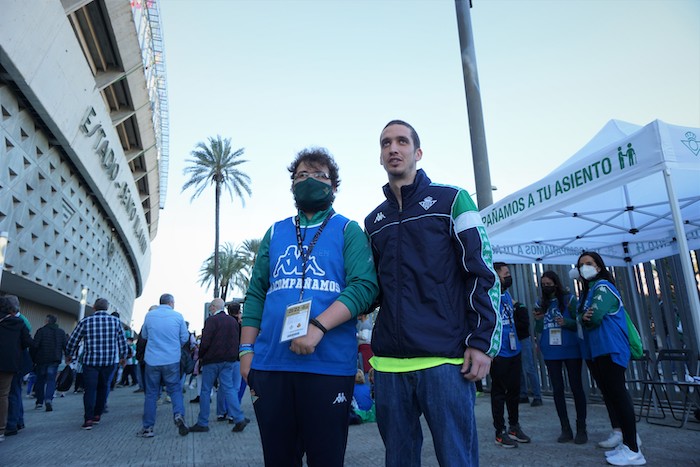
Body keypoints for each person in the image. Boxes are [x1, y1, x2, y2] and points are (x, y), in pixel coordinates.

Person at [364, 120, 501, 466]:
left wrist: (481, 341)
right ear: (380, 156)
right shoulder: (373, 221)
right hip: (389, 366)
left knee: (457, 459)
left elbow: (481, 273)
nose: (393, 148)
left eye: (401, 142)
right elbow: (373, 289)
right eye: (385, 144)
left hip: (445, 361)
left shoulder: (452, 200)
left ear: (418, 152)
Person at [241, 147, 378, 467]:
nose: (309, 181)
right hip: (271, 367)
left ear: (334, 185)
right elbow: (256, 292)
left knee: (326, 460)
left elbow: (365, 287)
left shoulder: (348, 230)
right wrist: (246, 351)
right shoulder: (275, 231)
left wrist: (318, 327)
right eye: (302, 175)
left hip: (328, 368)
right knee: (278, 460)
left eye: (319, 175)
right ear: (291, 185)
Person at [576, 252, 646, 466]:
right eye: (581, 265)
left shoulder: (603, 287)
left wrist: (586, 318)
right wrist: (583, 317)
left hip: (611, 348)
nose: (584, 268)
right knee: (613, 396)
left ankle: (634, 450)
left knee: (618, 395)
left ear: (599, 266)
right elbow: (583, 316)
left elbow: (594, 317)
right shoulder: (589, 291)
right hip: (598, 350)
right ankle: (628, 441)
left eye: (589, 263)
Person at [533, 270, 587, 443]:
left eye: (549, 284)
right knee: (557, 389)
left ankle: (581, 427)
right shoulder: (540, 303)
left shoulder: (569, 299)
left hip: (571, 348)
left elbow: (580, 321)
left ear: (556, 283)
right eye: (543, 285)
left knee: (576, 387)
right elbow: (540, 329)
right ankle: (565, 428)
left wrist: (567, 322)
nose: (546, 287)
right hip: (551, 350)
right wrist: (539, 319)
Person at [65, 298, 128, 430]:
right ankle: (97, 415)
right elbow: (122, 341)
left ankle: (88, 419)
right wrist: (123, 357)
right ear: (107, 308)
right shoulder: (116, 322)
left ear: (94, 307)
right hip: (109, 361)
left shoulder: (86, 321)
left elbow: (73, 340)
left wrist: (69, 354)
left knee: (90, 390)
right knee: (103, 387)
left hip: (91, 362)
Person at [189, 298, 248, 433]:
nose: (210, 309)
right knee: (229, 388)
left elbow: (205, 341)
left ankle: (203, 422)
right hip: (229, 361)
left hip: (212, 361)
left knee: (205, 390)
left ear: (214, 307)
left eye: (211, 307)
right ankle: (238, 418)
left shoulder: (211, 321)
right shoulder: (232, 321)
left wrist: (202, 355)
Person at [138, 294, 190, 438]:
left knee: (151, 394)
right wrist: (174, 346)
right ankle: (178, 414)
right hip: (171, 359)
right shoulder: (178, 316)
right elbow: (184, 337)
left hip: (152, 360)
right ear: (171, 303)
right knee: (175, 390)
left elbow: (144, 335)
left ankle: (148, 428)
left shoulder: (149, 316)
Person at [490, 262, 531, 448]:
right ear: (496, 276)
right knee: (499, 392)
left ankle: (514, 426)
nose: (508, 276)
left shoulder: (506, 295)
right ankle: (500, 431)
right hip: (499, 352)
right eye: (505, 274)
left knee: (514, 391)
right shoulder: (489, 296)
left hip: (514, 350)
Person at [0, 296, 33, 442]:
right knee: (8, 394)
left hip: (14, 364)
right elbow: (28, 342)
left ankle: (14, 422)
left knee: (12, 394)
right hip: (12, 364)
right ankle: (10, 424)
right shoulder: (21, 322)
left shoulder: (19, 321)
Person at [30, 314, 67, 412]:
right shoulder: (61, 332)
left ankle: (39, 402)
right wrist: (68, 356)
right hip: (54, 360)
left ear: (47, 321)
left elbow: (35, 346)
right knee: (51, 380)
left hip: (41, 360)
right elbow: (65, 346)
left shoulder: (41, 331)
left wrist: (33, 359)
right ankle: (48, 399)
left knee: (40, 381)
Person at [515, 301, 543, 407]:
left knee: (528, 368)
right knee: (519, 369)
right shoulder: (516, 308)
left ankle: (537, 396)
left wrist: (513, 323)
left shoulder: (520, 308)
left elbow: (524, 324)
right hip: (516, 340)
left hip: (522, 339)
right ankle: (523, 394)